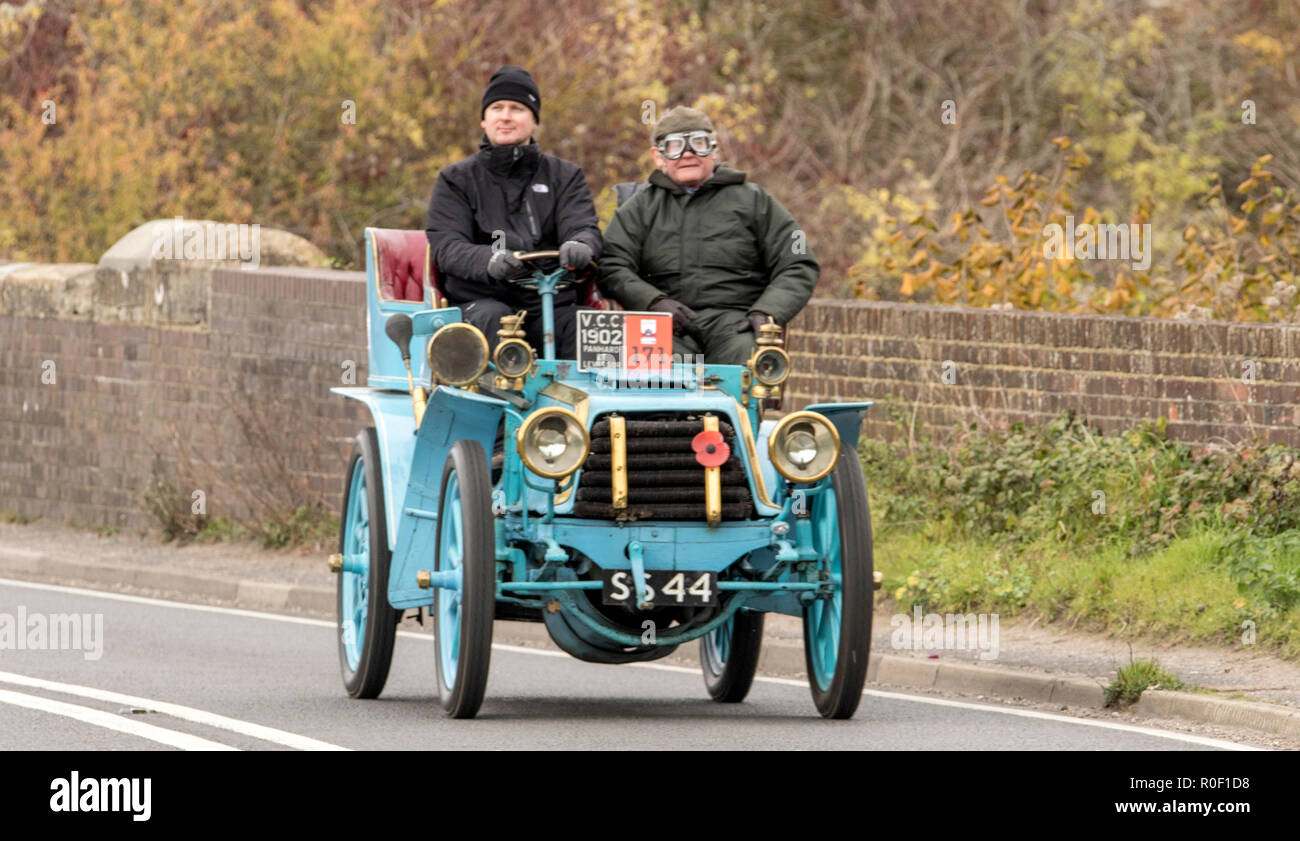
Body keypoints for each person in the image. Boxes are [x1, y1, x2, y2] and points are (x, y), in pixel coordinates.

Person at [597, 106, 818, 366]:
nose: (688, 154)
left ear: (714, 149)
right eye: (675, 146)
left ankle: (737, 408)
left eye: (698, 144)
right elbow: (611, 264)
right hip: (662, 325)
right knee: (657, 371)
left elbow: (798, 261)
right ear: (658, 156)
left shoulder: (756, 201)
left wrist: (766, 312)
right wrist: (653, 302)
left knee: (746, 366)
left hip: (736, 324)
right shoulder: (638, 209)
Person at [425, 65, 602, 359]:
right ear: (484, 120)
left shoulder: (565, 176)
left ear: (534, 122)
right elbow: (447, 247)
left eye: (517, 108)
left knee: (591, 328)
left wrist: (581, 245)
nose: (505, 116)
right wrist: (489, 261)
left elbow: (583, 227)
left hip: (550, 302)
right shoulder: (456, 179)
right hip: (483, 301)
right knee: (495, 320)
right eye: (497, 107)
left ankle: (590, 405)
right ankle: (501, 402)